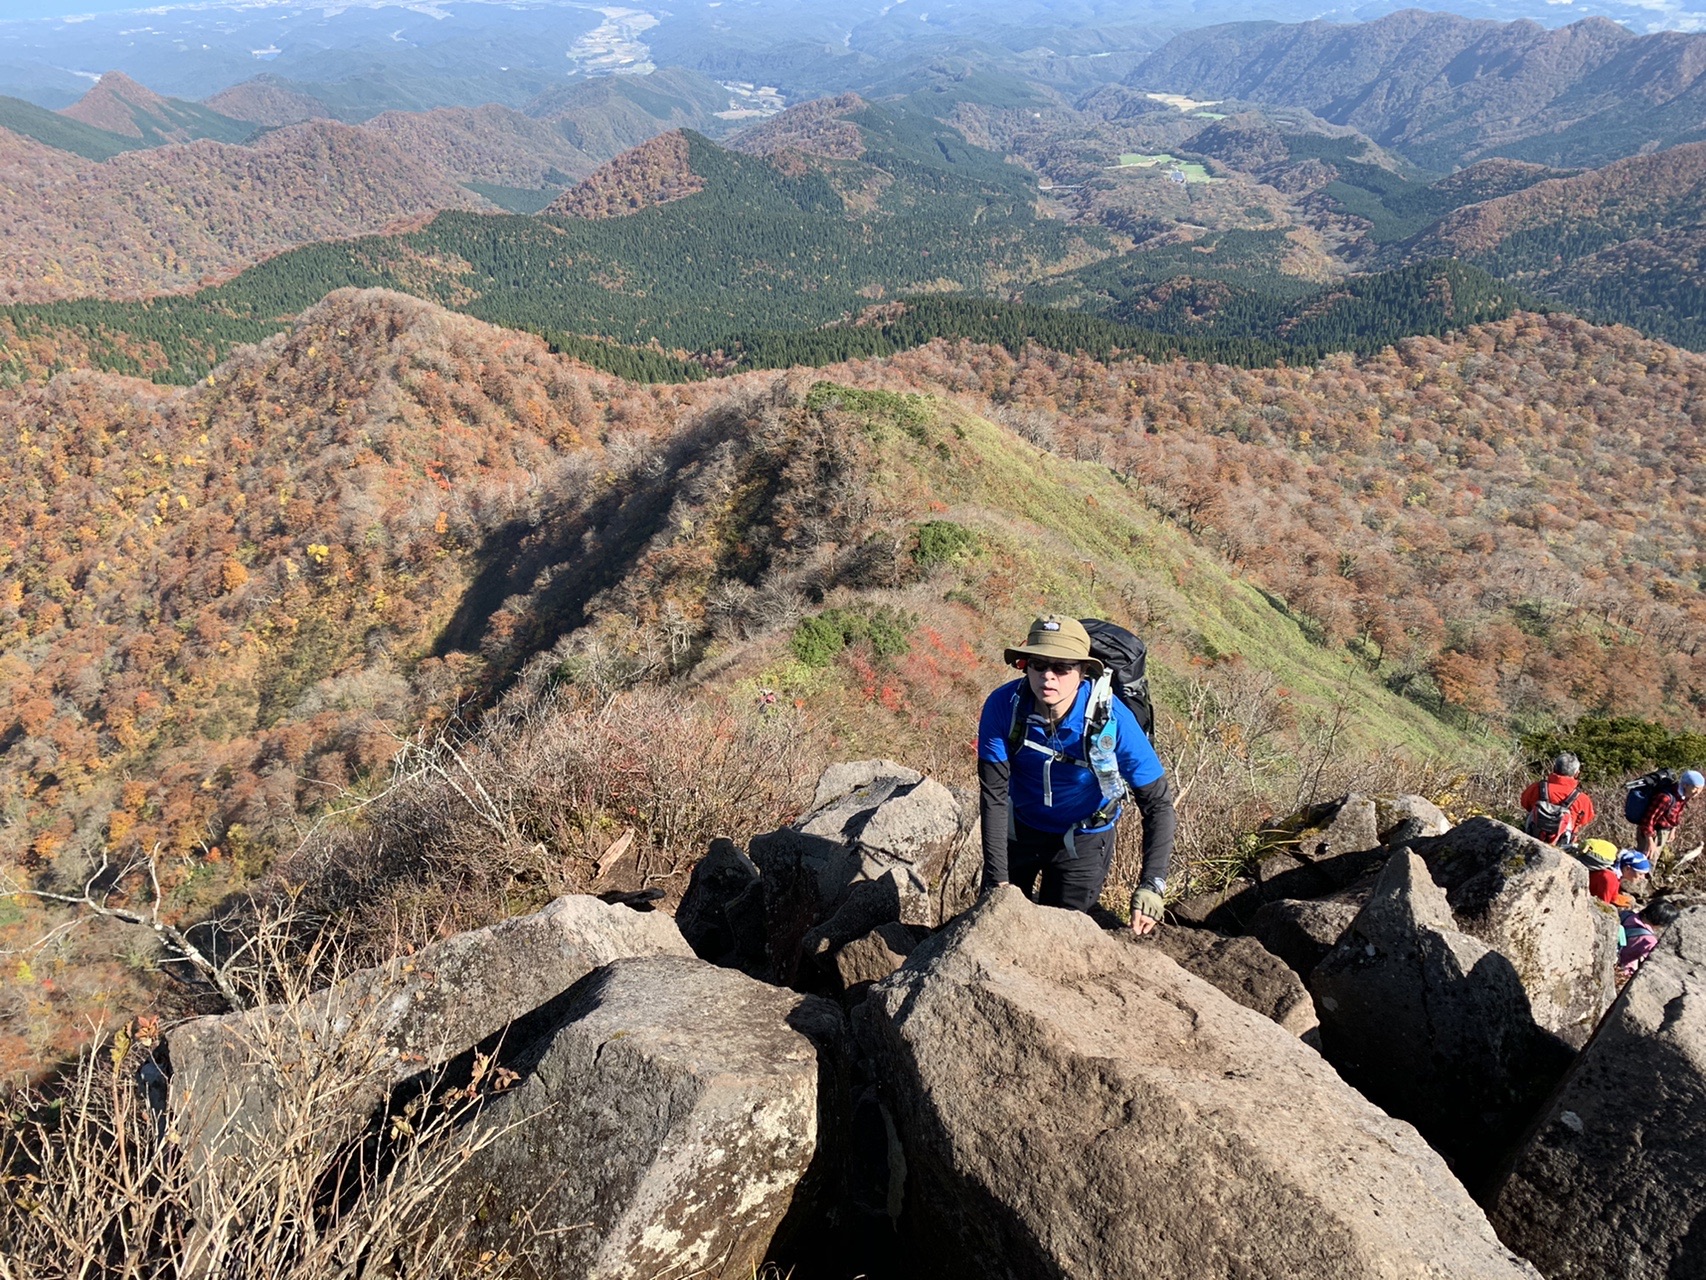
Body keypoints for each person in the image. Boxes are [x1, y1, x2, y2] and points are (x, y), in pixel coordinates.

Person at [978, 614, 1177, 933]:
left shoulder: (1113, 721)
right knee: (996, 929)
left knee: (1060, 938)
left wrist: (1152, 884)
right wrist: (996, 880)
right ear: (1024, 665)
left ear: (1084, 671)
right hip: (1019, 829)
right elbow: (994, 796)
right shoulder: (1004, 706)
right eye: (1038, 665)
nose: (1048, 677)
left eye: (1062, 667)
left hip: (1083, 838)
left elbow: (1158, 804)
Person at [1520, 753, 1596, 845]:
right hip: (1562, 845)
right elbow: (1584, 820)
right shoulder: (1582, 799)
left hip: (1532, 838)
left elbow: (1525, 803)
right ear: (1576, 773)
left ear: (1554, 769)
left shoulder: (1536, 788)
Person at [1634, 769, 1705, 858]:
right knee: (1645, 863)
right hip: (1651, 834)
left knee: (1653, 862)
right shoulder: (1665, 798)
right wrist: (1650, 841)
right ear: (1685, 785)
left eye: (1700, 789)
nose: (1698, 792)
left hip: (1663, 833)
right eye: (1695, 788)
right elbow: (1648, 820)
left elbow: (1677, 813)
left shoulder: (1684, 795)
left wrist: (1673, 829)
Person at [1618, 898, 1683, 981]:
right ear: (1661, 922)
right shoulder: (1649, 941)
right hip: (1623, 970)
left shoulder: (1626, 915)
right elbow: (1654, 961)